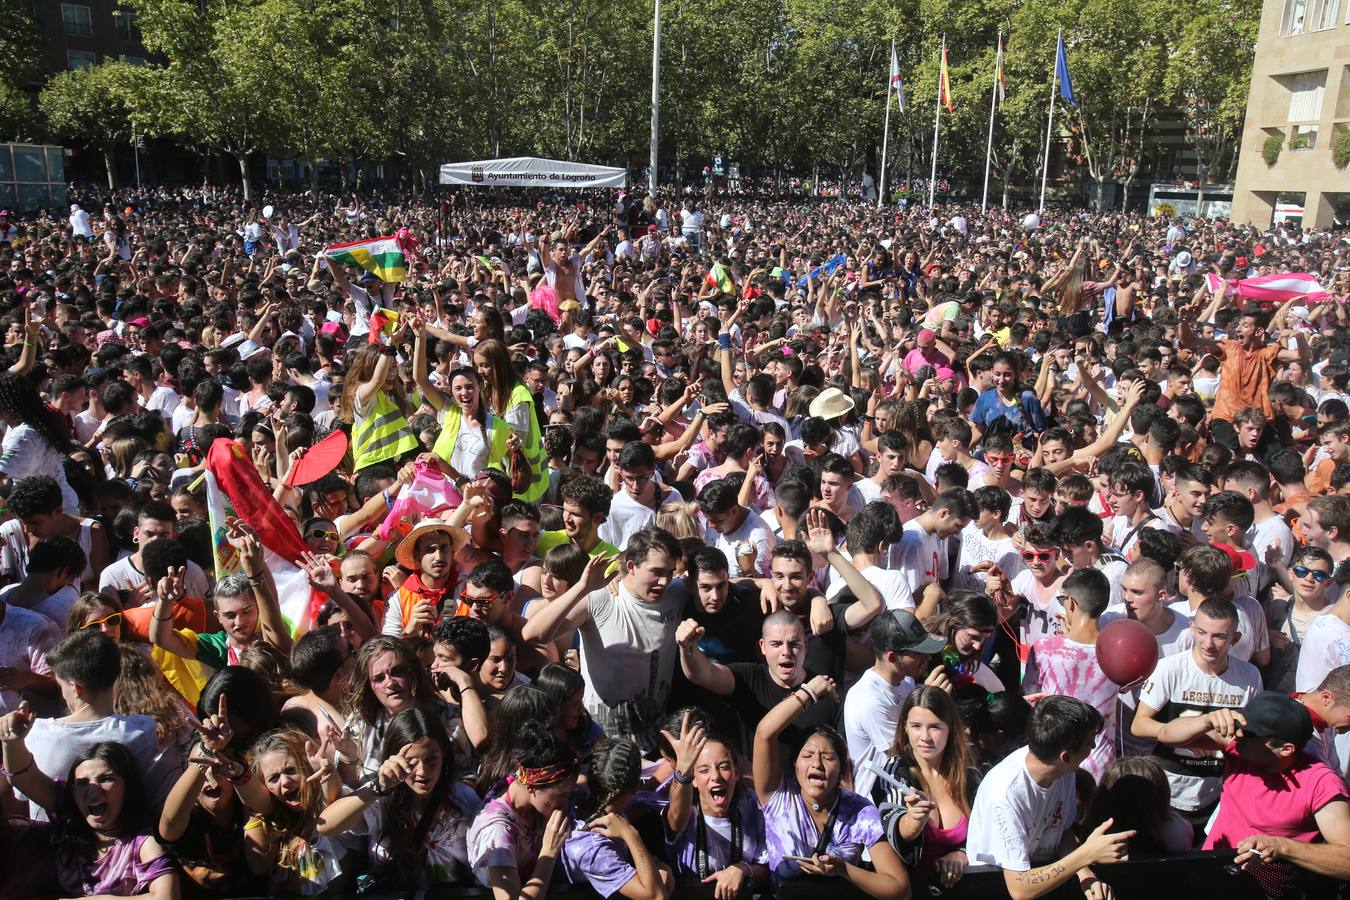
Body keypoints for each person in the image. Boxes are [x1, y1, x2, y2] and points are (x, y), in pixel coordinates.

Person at [521, 526, 684, 751]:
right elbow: (533, 634)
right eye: (656, 572)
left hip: (657, 739)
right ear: (631, 567)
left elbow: (733, 583)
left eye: (670, 572)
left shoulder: (677, 592)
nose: (664, 581)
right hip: (601, 742)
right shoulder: (601, 598)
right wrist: (582, 587)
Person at [751, 674, 910, 898]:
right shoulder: (778, 797)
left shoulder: (860, 812)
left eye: (828, 757)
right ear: (795, 763)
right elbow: (764, 733)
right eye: (808, 755)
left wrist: (844, 870)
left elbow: (900, 889)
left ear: (842, 768)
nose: (817, 763)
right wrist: (809, 692)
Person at [966, 696, 1131, 900]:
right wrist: (1086, 854)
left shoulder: (1063, 770)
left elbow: (1061, 830)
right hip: (994, 889)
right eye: (1090, 743)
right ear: (1065, 756)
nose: (1094, 746)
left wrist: (1086, 875)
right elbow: (1020, 889)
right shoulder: (1005, 795)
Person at [0, 726, 178, 899]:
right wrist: (11, 740)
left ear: (127, 786)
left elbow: (167, 896)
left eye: (106, 779)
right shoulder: (69, 824)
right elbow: (22, 777)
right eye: (83, 783)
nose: (93, 790)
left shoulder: (141, 841)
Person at [317, 707, 484, 889]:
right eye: (411, 761)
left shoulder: (463, 798)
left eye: (431, 759)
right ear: (393, 758)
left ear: (444, 756)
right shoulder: (382, 796)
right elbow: (326, 826)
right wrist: (378, 789)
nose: (422, 771)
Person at [1134, 598, 1264, 824]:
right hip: (1169, 788)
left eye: (1219, 636)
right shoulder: (1169, 669)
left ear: (1235, 638)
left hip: (1221, 790)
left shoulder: (1249, 676)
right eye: (1202, 632)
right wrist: (1188, 736)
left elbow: (1254, 733)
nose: (1208, 643)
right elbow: (1139, 725)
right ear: (1191, 627)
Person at [870, 686, 981, 892]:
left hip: (962, 890)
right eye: (916, 726)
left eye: (935, 727)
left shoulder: (968, 776)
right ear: (904, 728)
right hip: (911, 890)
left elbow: (986, 833)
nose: (925, 736)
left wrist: (961, 854)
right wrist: (913, 820)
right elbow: (893, 831)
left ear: (950, 728)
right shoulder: (895, 772)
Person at [1022, 568, 1118, 780]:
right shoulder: (1117, 653)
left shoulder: (1044, 649)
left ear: (1071, 603)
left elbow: (1029, 696)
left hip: (1053, 762)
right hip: (1099, 765)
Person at [467, 719, 578, 900]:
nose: (566, 802)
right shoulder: (497, 832)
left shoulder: (525, 790)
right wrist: (549, 852)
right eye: (562, 795)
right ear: (533, 786)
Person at [661, 714, 770, 897]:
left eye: (724, 767)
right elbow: (676, 820)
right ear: (693, 780)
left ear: (736, 773)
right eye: (704, 770)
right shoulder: (687, 812)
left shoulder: (752, 809)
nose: (716, 776)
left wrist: (742, 869)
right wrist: (684, 769)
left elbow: (766, 869)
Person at [561, 736, 676, 898]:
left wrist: (658, 864)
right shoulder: (594, 849)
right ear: (635, 786)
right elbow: (656, 896)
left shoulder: (586, 800)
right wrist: (631, 835)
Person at [843, 609, 947, 766]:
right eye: (919, 653)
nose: (928, 657)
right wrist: (930, 702)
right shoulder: (868, 700)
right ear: (892, 657)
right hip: (878, 788)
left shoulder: (906, 682)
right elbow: (901, 754)